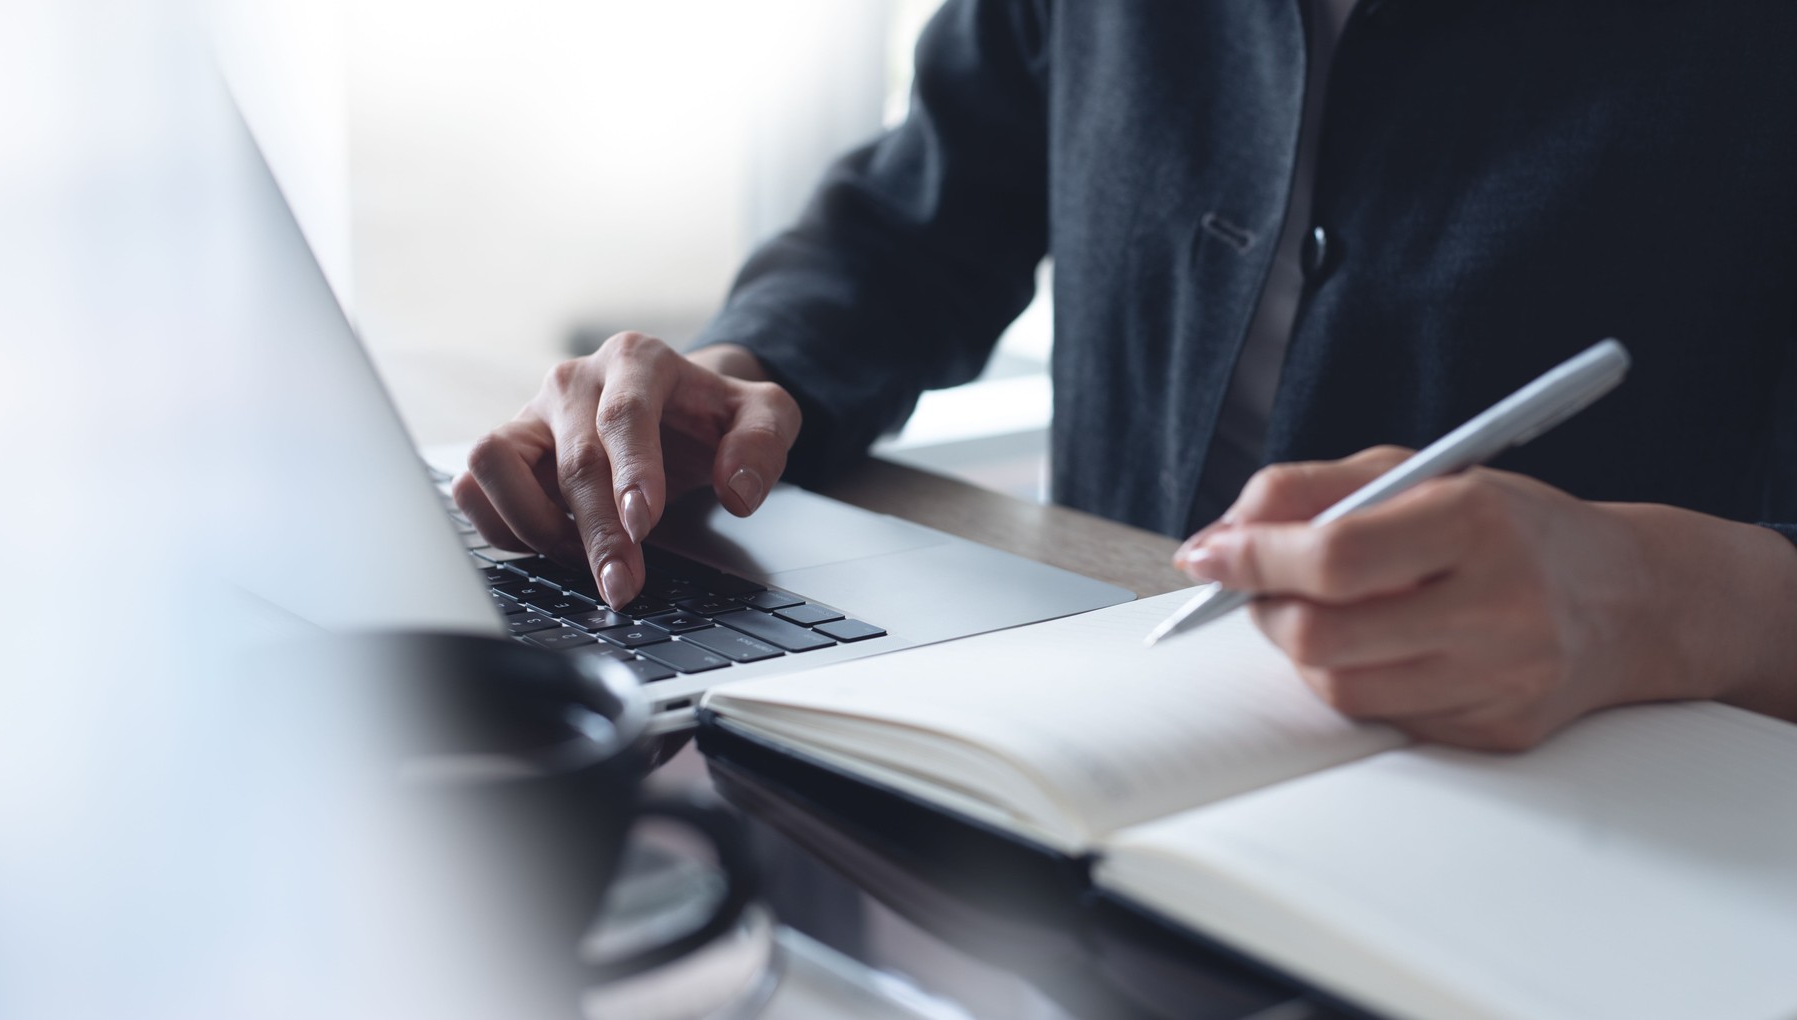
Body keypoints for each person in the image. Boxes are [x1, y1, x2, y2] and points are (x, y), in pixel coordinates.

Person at [455, 0, 1797, 751]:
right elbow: (925, 213)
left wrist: (1663, 600)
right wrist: (738, 378)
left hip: (1607, 814)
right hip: (1100, 726)